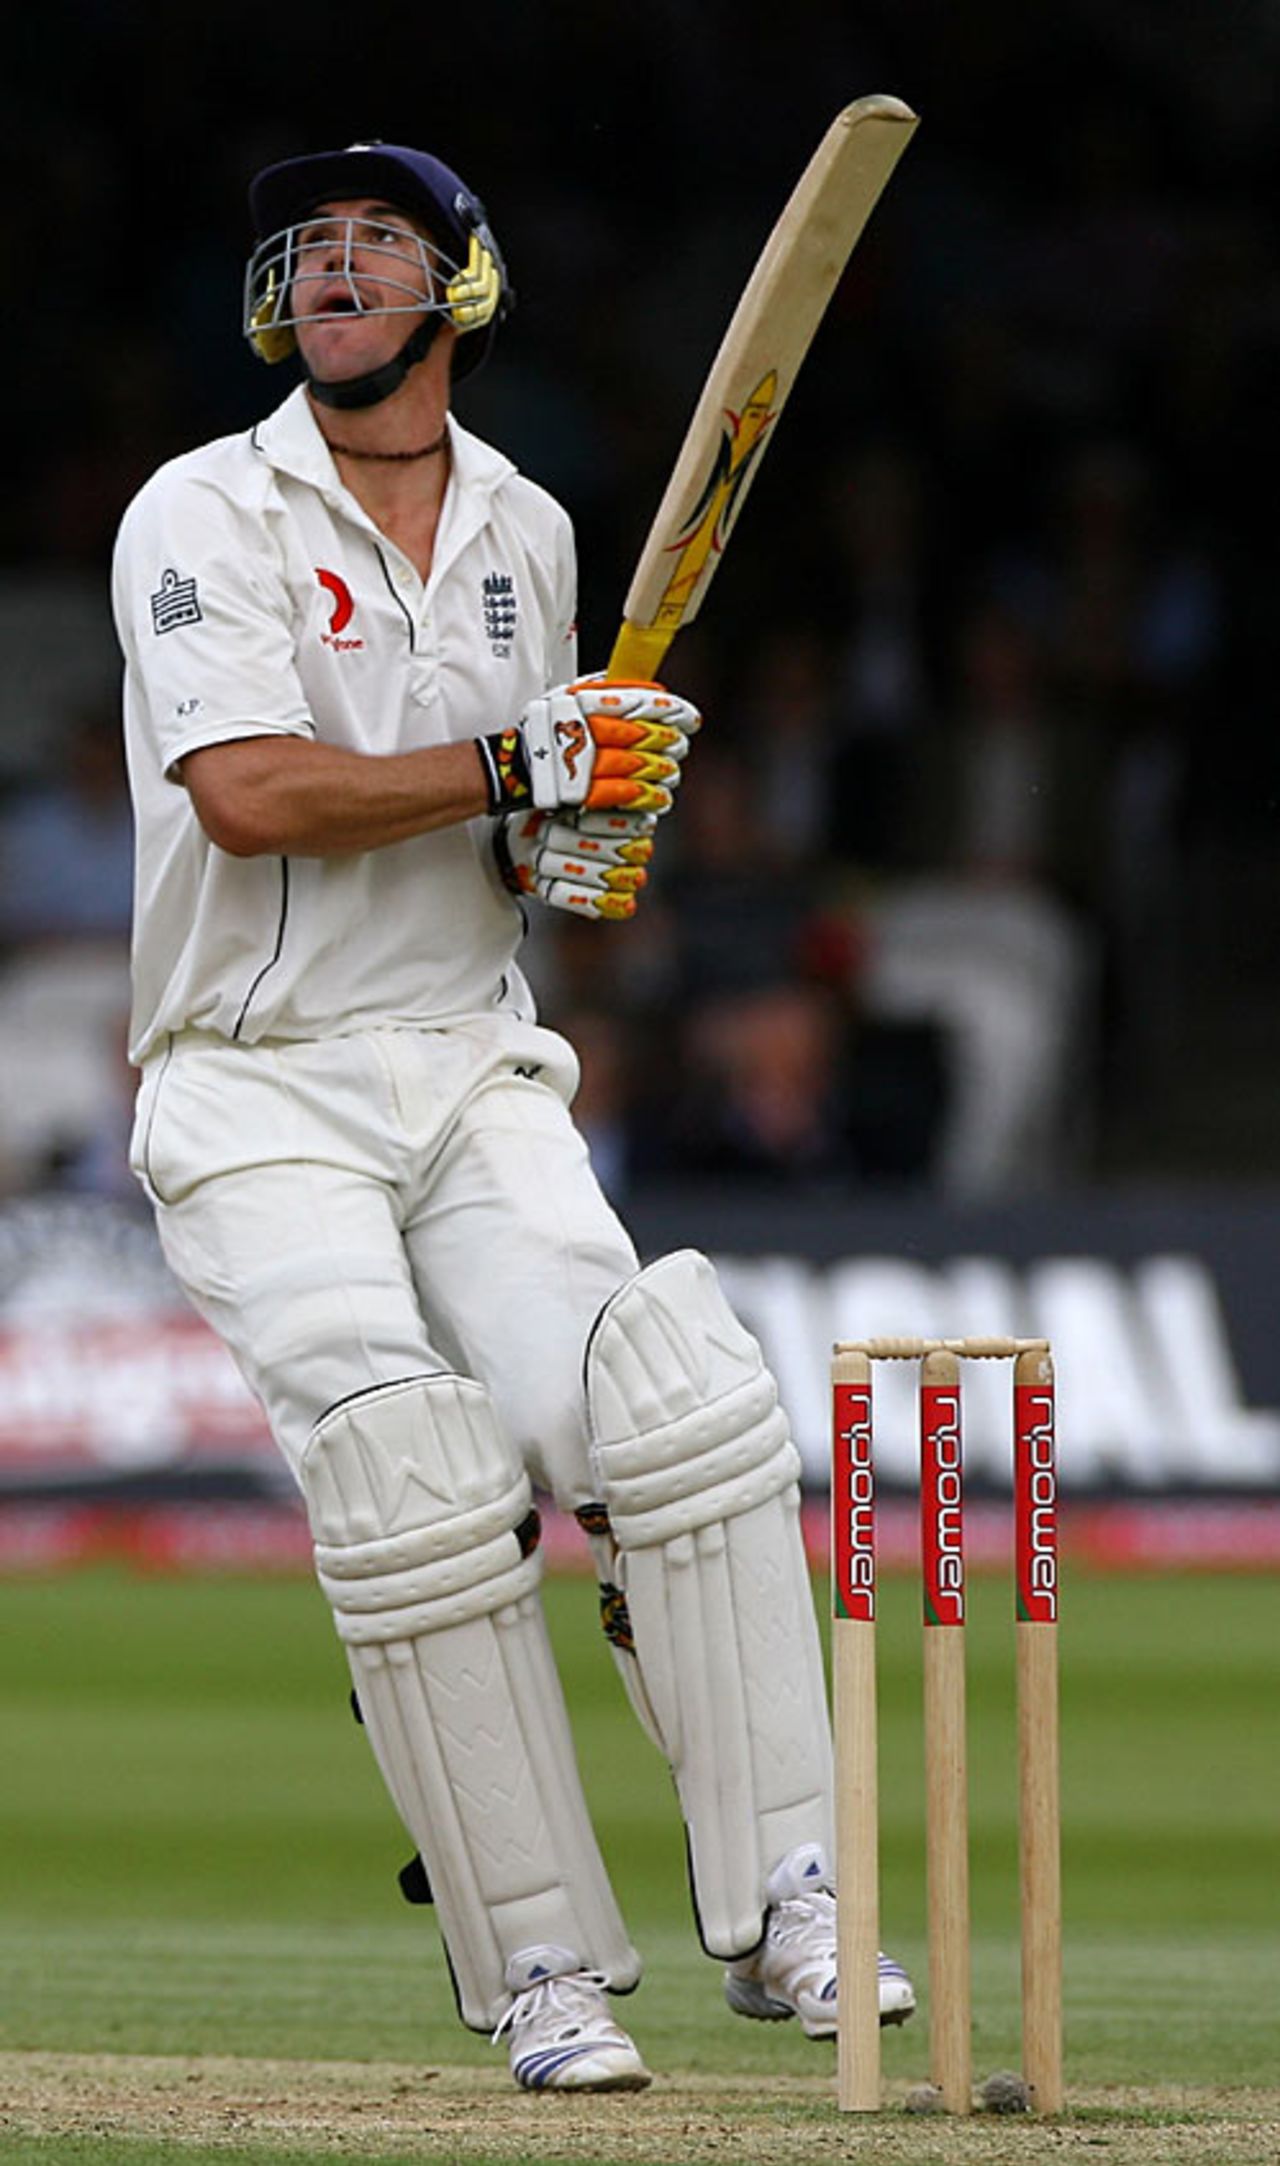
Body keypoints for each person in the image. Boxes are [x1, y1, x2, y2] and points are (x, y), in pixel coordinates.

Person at [111, 138, 915, 2093]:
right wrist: (510, 759)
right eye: (309, 242)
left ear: (457, 287)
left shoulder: (534, 536)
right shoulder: (196, 510)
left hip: (470, 1064)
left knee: (672, 1396)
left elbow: (525, 850)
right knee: (412, 1467)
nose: (336, 261)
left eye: (384, 236)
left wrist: (589, 822)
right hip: (251, 1079)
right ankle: (543, 1964)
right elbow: (251, 797)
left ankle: (794, 1894)